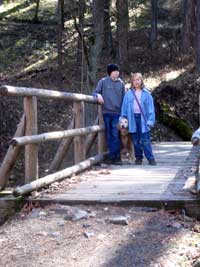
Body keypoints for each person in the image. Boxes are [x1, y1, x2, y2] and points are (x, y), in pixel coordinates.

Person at [121, 72, 156, 165]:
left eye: (138, 80)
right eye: (134, 80)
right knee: (135, 140)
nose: (136, 82)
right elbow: (124, 109)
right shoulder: (128, 94)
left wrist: (150, 121)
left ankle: (150, 158)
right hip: (132, 119)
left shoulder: (147, 94)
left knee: (145, 140)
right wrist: (123, 121)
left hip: (143, 120)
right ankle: (138, 158)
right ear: (132, 82)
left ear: (141, 81)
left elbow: (151, 109)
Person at [93, 63, 125, 164]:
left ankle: (117, 158)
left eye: (117, 71)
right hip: (106, 112)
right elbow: (95, 92)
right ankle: (112, 157)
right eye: (114, 71)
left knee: (115, 134)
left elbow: (124, 98)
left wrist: (123, 114)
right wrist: (98, 95)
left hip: (117, 113)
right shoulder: (103, 81)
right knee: (109, 135)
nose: (117, 72)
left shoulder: (121, 83)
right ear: (110, 72)